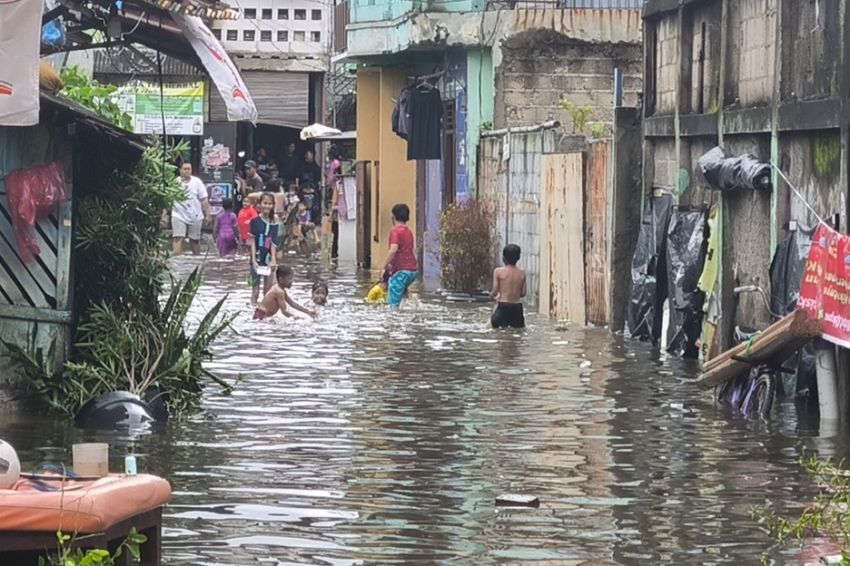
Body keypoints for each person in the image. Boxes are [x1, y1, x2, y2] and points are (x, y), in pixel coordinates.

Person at [171, 162, 211, 255]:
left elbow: (204, 199)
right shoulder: (175, 182)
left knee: (195, 240)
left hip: (195, 215)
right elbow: (169, 198)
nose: (187, 171)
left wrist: (208, 214)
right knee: (177, 237)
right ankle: (176, 260)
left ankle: (196, 260)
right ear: (180, 170)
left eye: (189, 169)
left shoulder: (197, 182)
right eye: (185, 169)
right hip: (178, 214)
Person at [249, 192, 281, 305]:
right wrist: (253, 260)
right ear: (260, 204)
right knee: (255, 291)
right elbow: (252, 241)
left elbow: (273, 242)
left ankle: (264, 314)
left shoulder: (274, 221)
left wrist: (273, 259)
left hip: (268, 259)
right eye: (265, 203)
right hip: (256, 258)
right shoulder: (254, 221)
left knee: (267, 291)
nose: (267, 206)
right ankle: (252, 313)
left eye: (270, 204)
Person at [383, 204, 418, 306]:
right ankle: (413, 302)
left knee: (392, 304)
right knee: (402, 298)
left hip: (401, 272)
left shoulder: (395, 232)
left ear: (393, 217)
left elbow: (393, 249)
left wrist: (385, 265)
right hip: (412, 271)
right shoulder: (409, 231)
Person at [490, 244, 527, 329]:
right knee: (517, 333)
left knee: (493, 329)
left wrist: (491, 295)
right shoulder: (522, 273)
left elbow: (495, 291)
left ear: (503, 258)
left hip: (503, 307)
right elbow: (523, 293)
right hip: (517, 309)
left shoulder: (498, 271)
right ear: (518, 258)